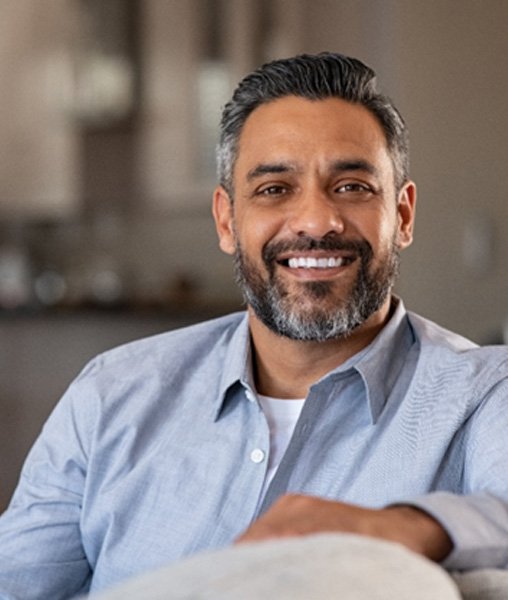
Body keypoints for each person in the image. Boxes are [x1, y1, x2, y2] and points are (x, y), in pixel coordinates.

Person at [0, 51, 508, 599]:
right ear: (226, 219)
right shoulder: (111, 392)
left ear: (402, 216)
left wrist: (406, 527)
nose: (316, 222)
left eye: (352, 186)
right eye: (274, 189)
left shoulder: (483, 394)